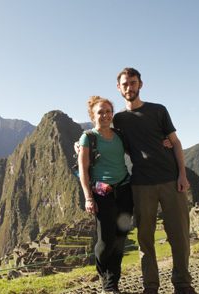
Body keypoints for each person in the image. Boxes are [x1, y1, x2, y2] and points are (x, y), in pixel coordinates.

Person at [112, 68, 195, 294]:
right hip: (141, 184)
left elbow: (175, 142)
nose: (129, 87)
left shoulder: (158, 111)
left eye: (133, 82)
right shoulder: (119, 119)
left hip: (170, 180)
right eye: (125, 84)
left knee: (179, 235)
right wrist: (80, 145)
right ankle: (150, 286)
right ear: (118, 88)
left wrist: (182, 175)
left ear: (141, 84)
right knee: (145, 238)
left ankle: (182, 284)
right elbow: (107, 140)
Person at [78, 96, 133, 294]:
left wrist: (164, 143)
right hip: (103, 193)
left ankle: (111, 285)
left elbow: (137, 149)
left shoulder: (119, 135)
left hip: (125, 190)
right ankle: (103, 271)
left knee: (120, 238)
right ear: (93, 115)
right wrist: (88, 197)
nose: (105, 115)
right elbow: (83, 170)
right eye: (100, 112)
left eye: (108, 111)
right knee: (106, 240)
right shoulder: (88, 138)